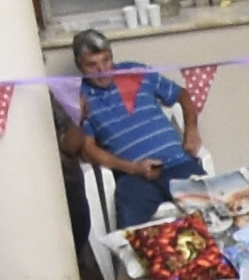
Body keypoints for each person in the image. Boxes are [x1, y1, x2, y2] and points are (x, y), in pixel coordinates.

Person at [56, 25, 195, 225]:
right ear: (79, 66)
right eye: (92, 65)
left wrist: (191, 130)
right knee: (130, 228)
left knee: (216, 206)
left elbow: (182, 94)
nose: (102, 70)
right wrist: (133, 168)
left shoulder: (134, 72)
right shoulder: (80, 97)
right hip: (134, 177)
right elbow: (88, 150)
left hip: (178, 164)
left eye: (106, 60)